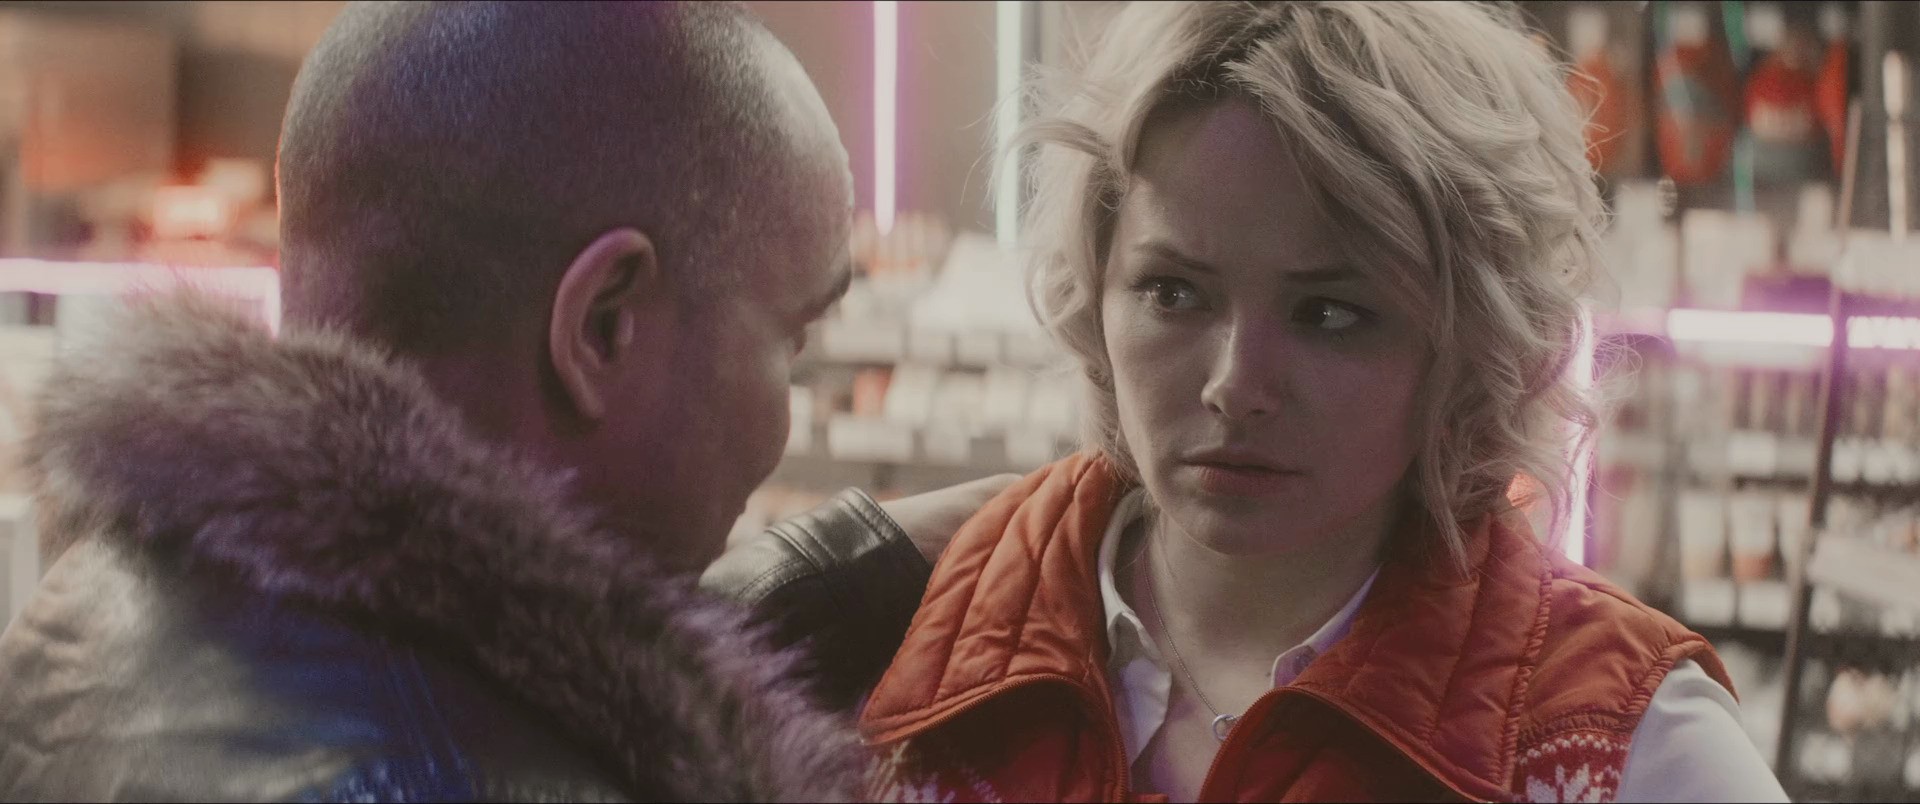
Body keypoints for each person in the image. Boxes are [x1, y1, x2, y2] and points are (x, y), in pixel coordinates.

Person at [0, 1, 1001, 799]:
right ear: (603, 325)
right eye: (793, 336)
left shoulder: (106, 602)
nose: (784, 416)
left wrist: (869, 559)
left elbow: (493, 642)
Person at [840, 3, 1790, 802]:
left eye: (1329, 313)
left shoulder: (1622, 741)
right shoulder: (881, 640)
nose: (1234, 385)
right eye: (1173, 293)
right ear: (1095, 289)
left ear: (1469, 342)